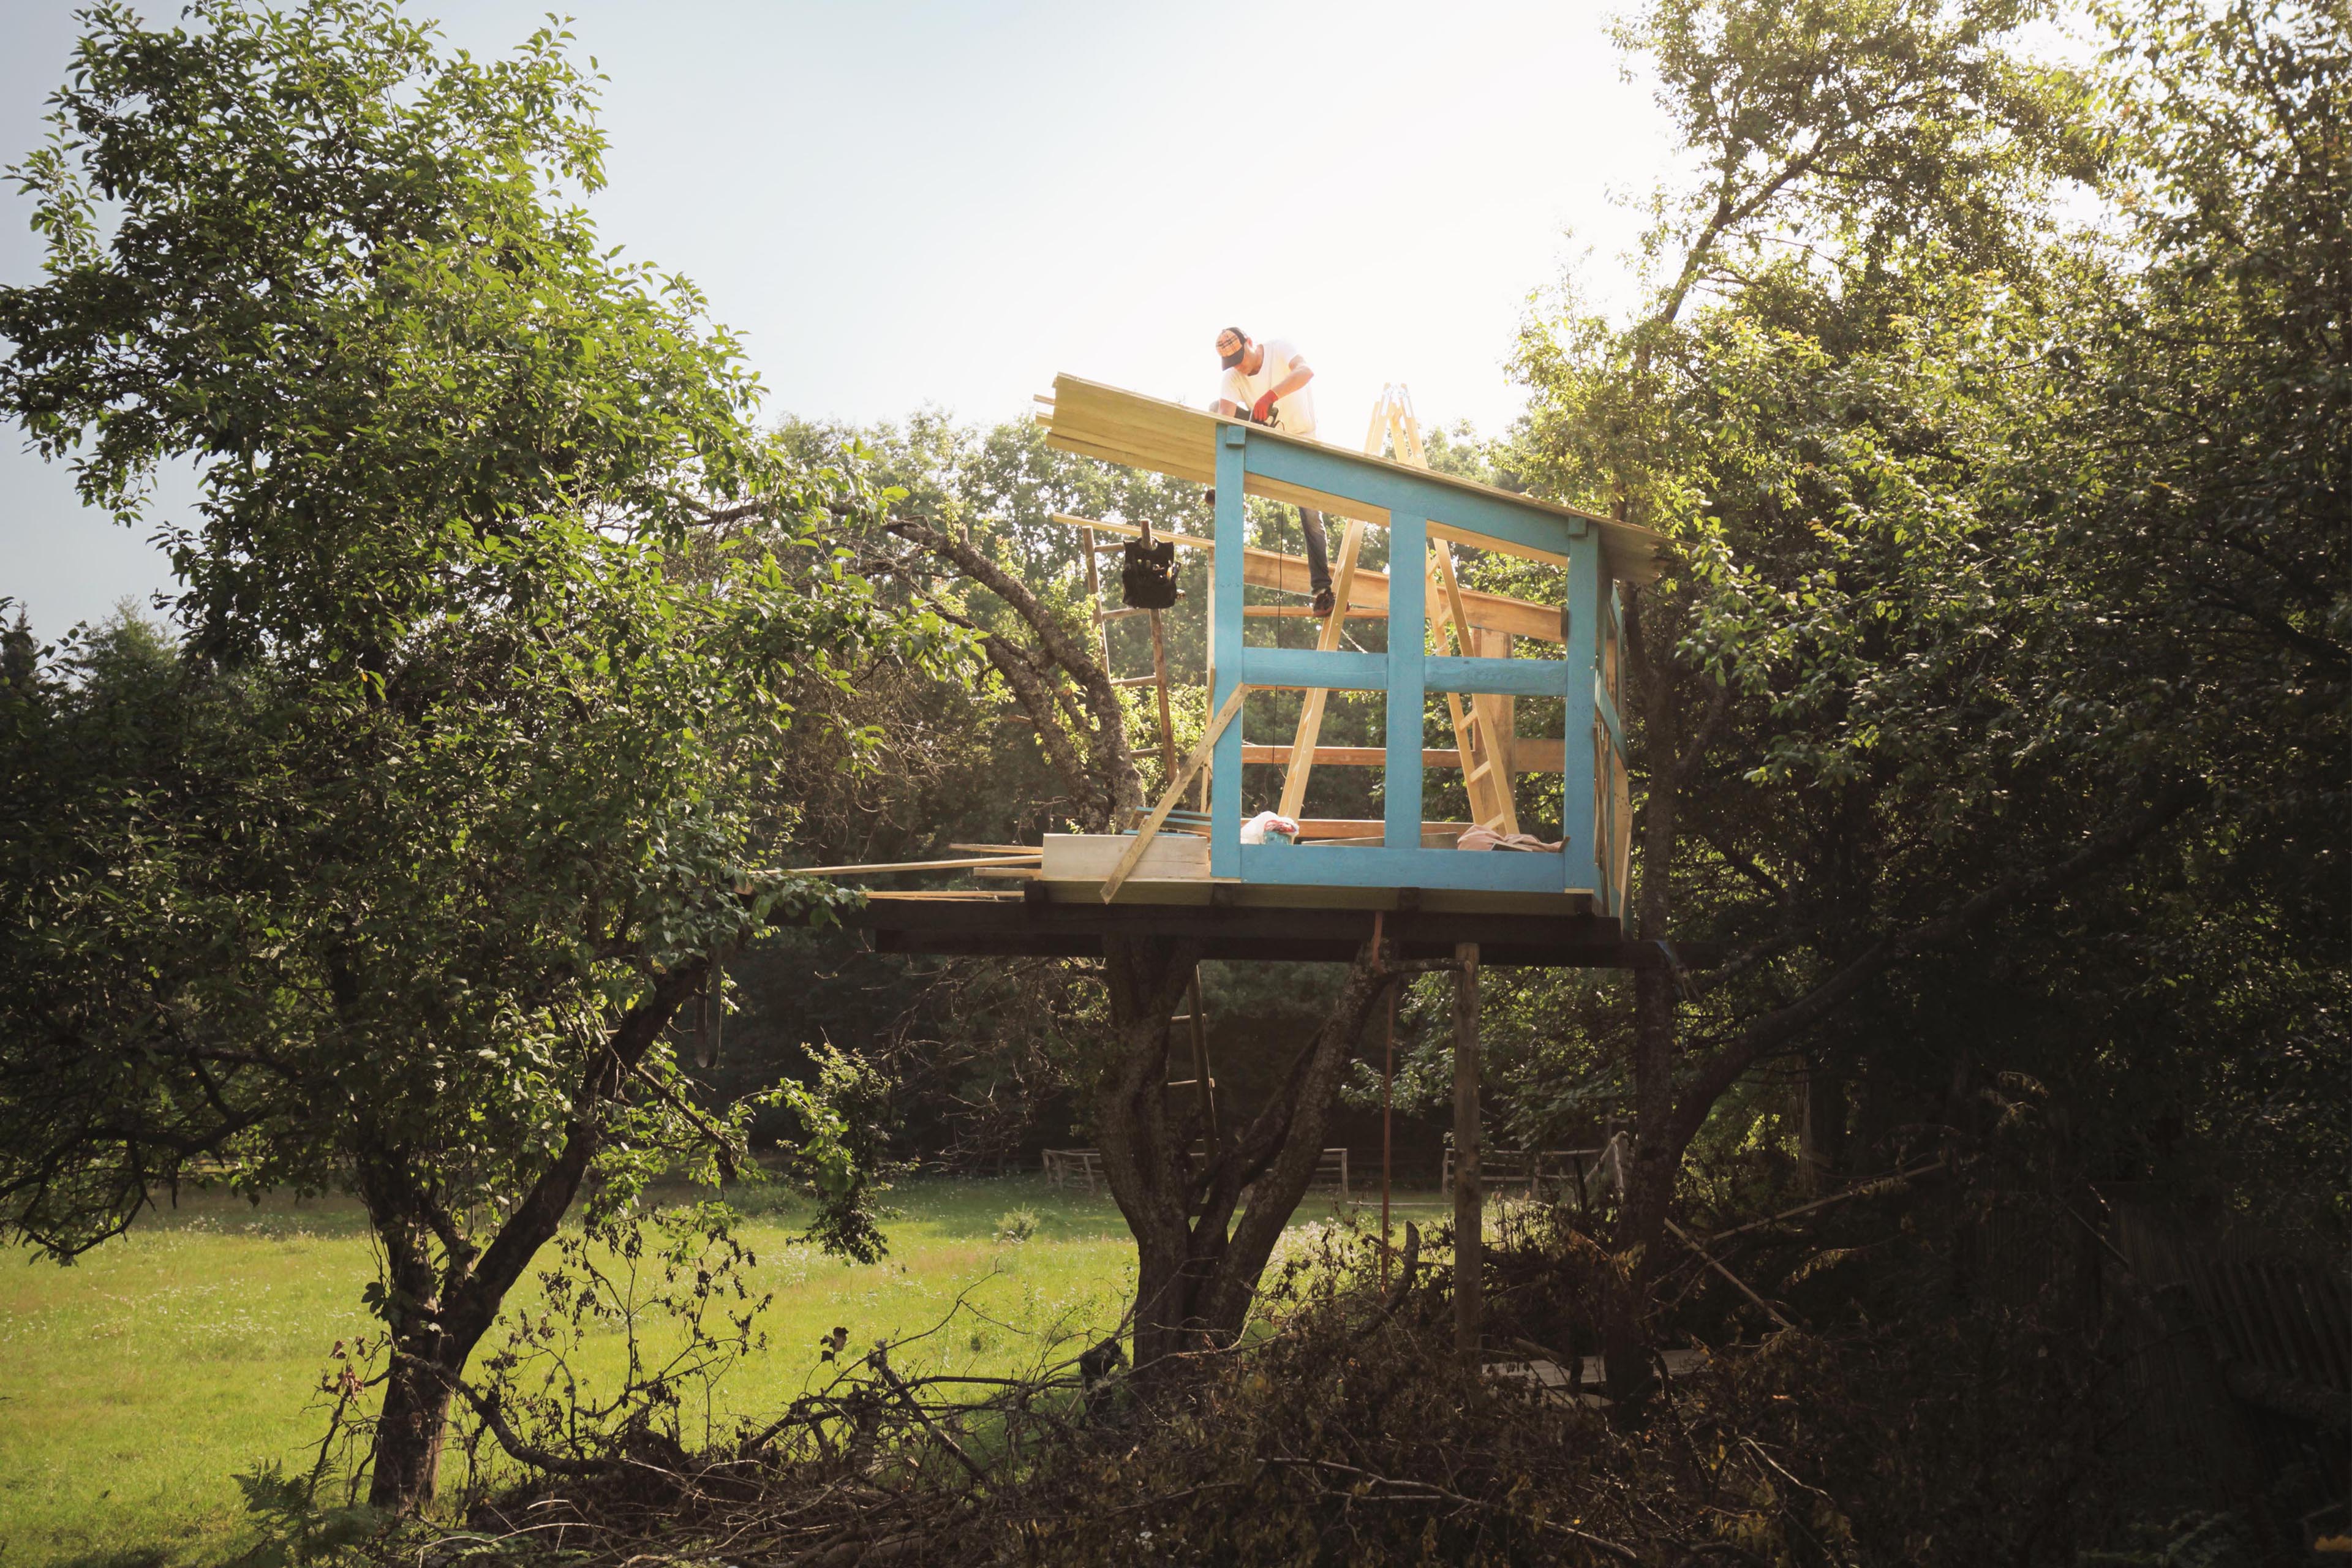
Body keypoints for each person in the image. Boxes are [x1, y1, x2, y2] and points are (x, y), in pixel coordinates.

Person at [1213, 327, 1333, 617]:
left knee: (1311, 517)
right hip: (1269, 439)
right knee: (1215, 409)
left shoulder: (1280, 348)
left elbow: (1305, 372)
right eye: (1234, 363)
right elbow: (1224, 417)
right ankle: (1232, 486)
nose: (1240, 366)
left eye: (1242, 357)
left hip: (1304, 442)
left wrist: (1270, 396)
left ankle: (1322, 591)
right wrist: (1219, 475)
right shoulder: (1232, 377)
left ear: (1250, 342)